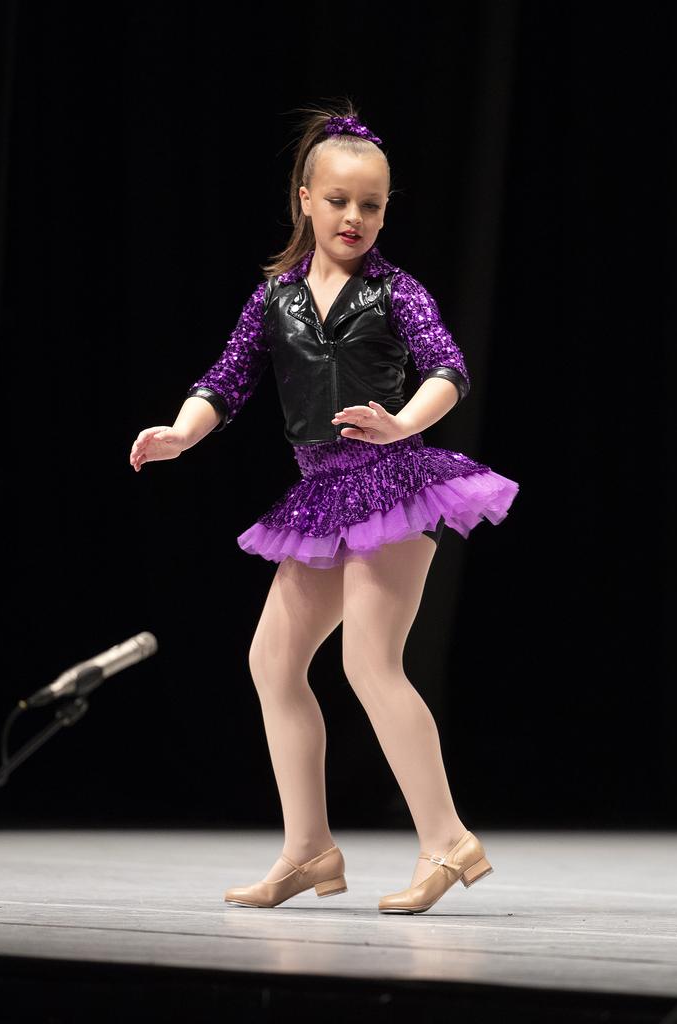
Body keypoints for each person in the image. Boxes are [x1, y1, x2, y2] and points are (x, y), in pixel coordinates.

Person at [129, 101, 519, 915]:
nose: (354, 217)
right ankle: (308, 848)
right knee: (272, 662)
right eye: (339, 200)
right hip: (319, 499)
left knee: (369, 664)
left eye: (371, 205)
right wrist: (180, 432)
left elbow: (449, 369)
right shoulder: (275, 297)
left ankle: (447, 839)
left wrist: (400, 423)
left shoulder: (396, 292)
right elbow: (226, 380)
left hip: (395, 486)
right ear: (305, 197)